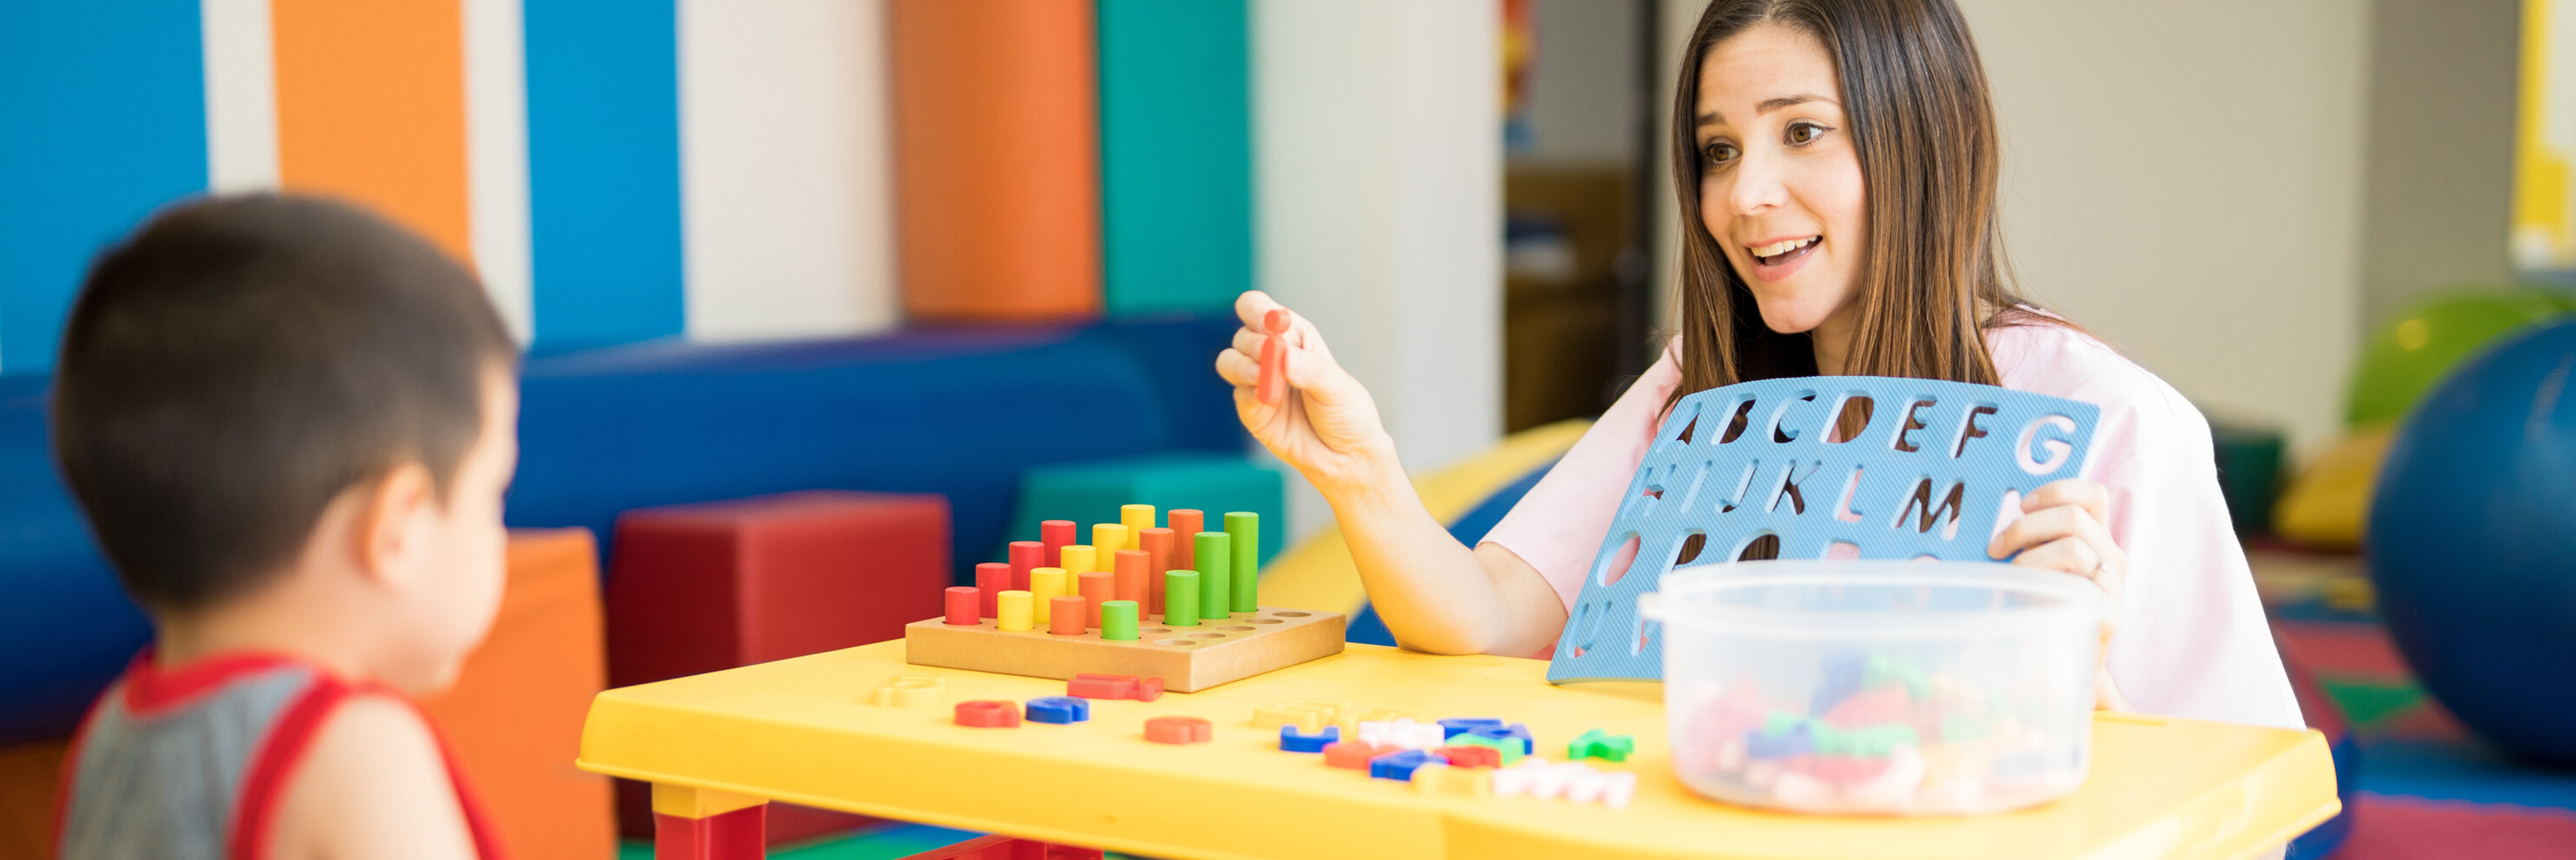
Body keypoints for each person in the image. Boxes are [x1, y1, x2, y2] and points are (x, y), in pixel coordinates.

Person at [1215, 0, 2299, 730]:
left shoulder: (2113, 421)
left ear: (1922, 142)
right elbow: (1482, 618)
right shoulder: (1701, 391)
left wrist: (2080, 669)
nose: (1743, 197)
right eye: (1718, 149)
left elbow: (2241, 803)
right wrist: (1358, 467)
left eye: (1803, 133)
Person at [50, 194, 519, 858]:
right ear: (396, 532)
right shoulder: (355, 752)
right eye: (493, 495)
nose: (500, 531)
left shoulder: (110, 740)